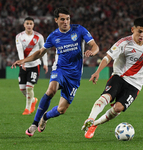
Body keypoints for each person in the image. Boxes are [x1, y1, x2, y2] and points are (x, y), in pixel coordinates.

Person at [12, 7, 99, 137]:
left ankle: (45, 117)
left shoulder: (79, 30)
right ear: (56, 20)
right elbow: (40, 52)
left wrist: (93, 51)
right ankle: (34, 124)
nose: (66, 22)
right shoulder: (53, 36)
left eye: (68, 19)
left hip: (74, 75)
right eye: (62, 19)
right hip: (60, 69)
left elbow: (95, 45)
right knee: (51, 90)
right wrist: (23, 60)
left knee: (61, 109)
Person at [81, 17, 143, 139]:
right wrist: (97, 72)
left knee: (118, 108)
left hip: (136, 84)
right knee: (106, 96)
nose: (142, 35)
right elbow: (107, 57)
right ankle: (90, 118)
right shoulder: (124, 43)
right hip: (119, 76)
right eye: (139, 31)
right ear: (133, 29)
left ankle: (94, 125)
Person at [15, 17, 48, 115]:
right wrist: (23, 62)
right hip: (24, 65)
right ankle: (33, 100)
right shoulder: (19, 36)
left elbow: (44, 51)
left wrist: (45, 63)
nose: (29, 25)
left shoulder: (39, 37)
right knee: (22, 89)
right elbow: (20, 50)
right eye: (27, 23)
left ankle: (27, 109)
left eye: (31, 23)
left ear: (33, 25)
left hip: (35, 65)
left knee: (29, 87)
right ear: (24, 25)